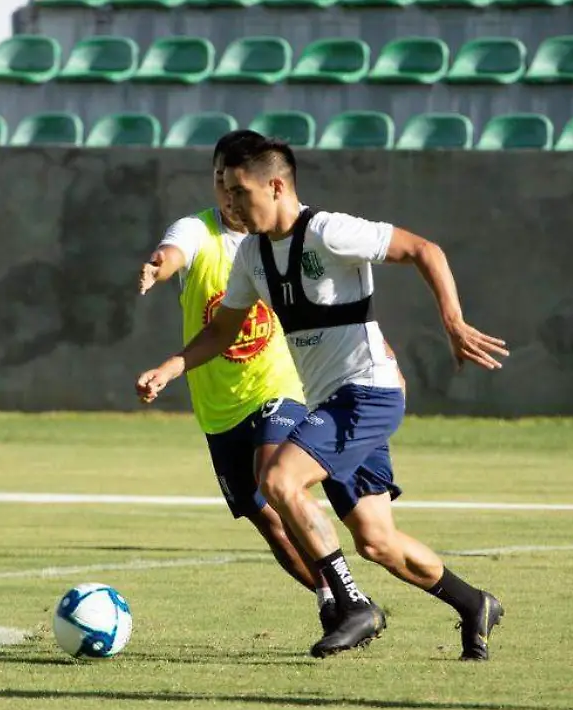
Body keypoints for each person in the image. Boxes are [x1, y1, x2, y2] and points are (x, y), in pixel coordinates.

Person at [136, 134, 509, 660]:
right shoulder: (252, 257)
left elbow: (424, 250)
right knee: (377, 542)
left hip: (367, 395)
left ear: (276, 185)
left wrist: (453, 322)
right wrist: (171, 367)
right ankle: (475, 604)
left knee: (278, 480)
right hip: (331, 404)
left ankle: (352, 605)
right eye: (225, 191)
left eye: (241, 192)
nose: (232, 203)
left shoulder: (329, 231)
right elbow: (221, 333)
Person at [138, 129, 401, 639]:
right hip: (218, 405)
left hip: (278, 386)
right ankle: (339, 599)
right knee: (268, 522)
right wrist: (160, 267)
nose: (226, 192)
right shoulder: (202, 231)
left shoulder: (289, 236)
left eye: (232, 181)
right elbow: (175, 248)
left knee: (272, 476)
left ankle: (344, 588)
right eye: (217, 181)